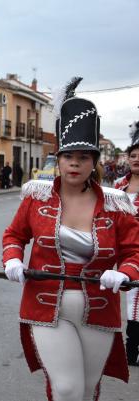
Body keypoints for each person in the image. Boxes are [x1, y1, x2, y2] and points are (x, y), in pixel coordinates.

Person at [2, 78, 139, 400]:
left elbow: (134, 250)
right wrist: (11, 259)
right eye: (68, 156)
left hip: (100, 306)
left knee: (89, 389)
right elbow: (14, 234)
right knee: (66, 389)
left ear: (94, 163)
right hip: (46, 305)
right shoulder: (36, 197)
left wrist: (126, 272)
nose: (75, 162)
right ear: (58, 160)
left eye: (83, 156)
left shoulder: (116, 203)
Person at [114, 119, 139, 366]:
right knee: (130, 296)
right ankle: (130, 349)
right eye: (133, 155)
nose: (136, 159)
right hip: (126, 249)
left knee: (137, 299)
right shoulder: (118, 186)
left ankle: (133, 348)